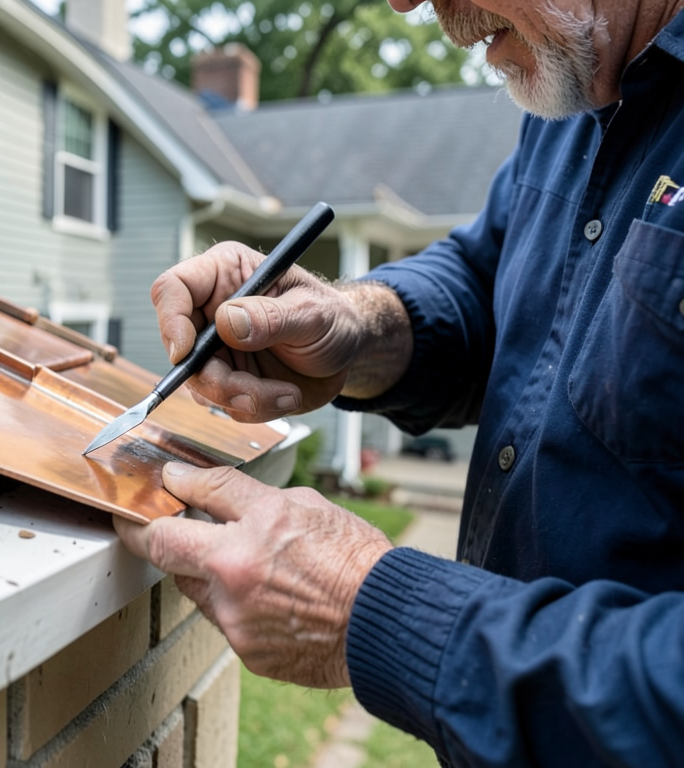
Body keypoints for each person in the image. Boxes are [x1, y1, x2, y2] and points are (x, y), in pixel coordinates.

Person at [113, 0, 684, 765]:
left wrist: (375, 611)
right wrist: (349, 327)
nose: (407, 2)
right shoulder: (574, 86)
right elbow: (490, 282)